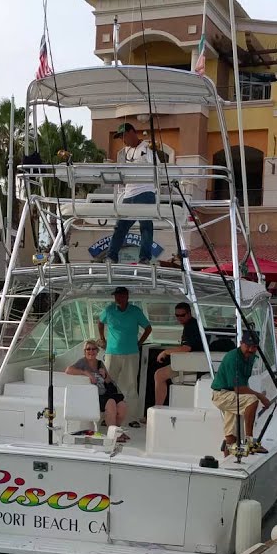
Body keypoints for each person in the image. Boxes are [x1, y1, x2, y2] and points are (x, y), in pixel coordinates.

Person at [104, 123, 159, 264]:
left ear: (131, 132)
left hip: (145, 192)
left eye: (123, 136)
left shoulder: (147, 148)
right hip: (128, 194)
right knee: (120, 226)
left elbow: (157, 169)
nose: (122, 140)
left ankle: (144, 258)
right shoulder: (125, 151)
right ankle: (111, 256)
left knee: (145, 226)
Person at [210, 331, 270, 457]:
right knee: (252, 400)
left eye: (254, 346)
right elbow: (238, 388)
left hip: (231, 394)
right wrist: (261, 396)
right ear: (241, 343)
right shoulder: (233, 358)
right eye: (247, 345)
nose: (250, 349)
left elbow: (243, 383)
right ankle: (250, 442)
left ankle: (228, 453)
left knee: (231, 433)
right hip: (222, 394)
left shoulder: (251, 357)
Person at [98, 286, 152, 426]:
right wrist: (102, 339)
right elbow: (100, 322)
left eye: (121, 295)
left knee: (131, 385)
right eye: (116, 296)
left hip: (131, 353)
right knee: (106, 384)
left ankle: (132, 418)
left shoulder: (135, 311)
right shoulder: (109, 310)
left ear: (127, 296)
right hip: (111, 352)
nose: (118, 298)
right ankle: (105, 416)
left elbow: (148, 328)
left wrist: (140, 343)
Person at [66, 340, 129, 438]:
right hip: (93, 396)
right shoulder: (82, 362)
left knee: (122, 406)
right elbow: (68, 370)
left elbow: (109, 380)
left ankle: (116, 431)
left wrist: (104, 375)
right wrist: (86, 373)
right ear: (84, 351)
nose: (91, 351)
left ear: (97, 351)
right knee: (111, 403)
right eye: (88, 349)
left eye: (94, 349)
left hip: (105, 393)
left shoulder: (100, 363)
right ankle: (113, 435)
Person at [152, 302, 203, 411]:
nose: (179, 318)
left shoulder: (190, 327)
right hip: (193, 362)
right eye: (177, 315)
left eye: (182, 315)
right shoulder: (193, 324)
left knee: (159, 375)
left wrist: (165, 352)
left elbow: (186, 348)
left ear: (189, 314)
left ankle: (157, 408)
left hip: (193, 365)